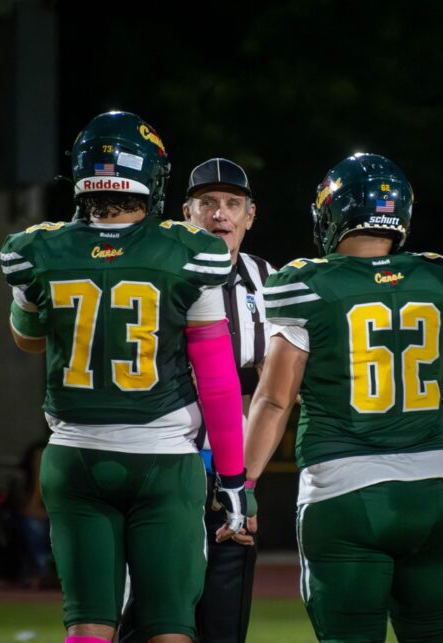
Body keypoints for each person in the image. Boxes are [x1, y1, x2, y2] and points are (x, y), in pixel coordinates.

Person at [0, 111, 247, 643]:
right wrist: (232, 480)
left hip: (74, 456)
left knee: (88, 625)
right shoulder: (189, 249)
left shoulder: (35, 248)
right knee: (168, 628)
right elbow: (218, 377)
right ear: (152, 176)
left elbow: (28, 336)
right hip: (163, 460)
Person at [244, 153, 443, 642]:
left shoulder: (306, 283)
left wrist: (240, 483)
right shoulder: (442, 280)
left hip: (345, 489)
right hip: (433, 491)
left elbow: (274, 400)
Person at [121, 157, 274, 643]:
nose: (220, 214)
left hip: (233, 473)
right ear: (186, 213)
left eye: (233, 204)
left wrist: (245, 480)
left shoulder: (269, 281)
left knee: (223, 623)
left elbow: (282, 386)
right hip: (161, 468)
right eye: (207, 203)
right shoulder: (157, 271)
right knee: (146, 618)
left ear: (251, 216)